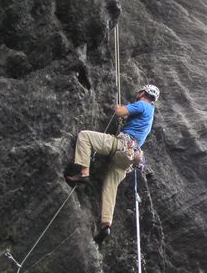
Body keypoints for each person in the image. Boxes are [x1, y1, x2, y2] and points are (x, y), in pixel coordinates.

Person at [64, 84, 160, 244]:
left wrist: (120, 108)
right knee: (110, 187)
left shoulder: (143, 104)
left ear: (143, 93)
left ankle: (84, 173)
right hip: (129, 158)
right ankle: (106, 224)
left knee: (85, 136)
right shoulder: (150, 114)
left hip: (122, 146)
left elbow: (119, 112)